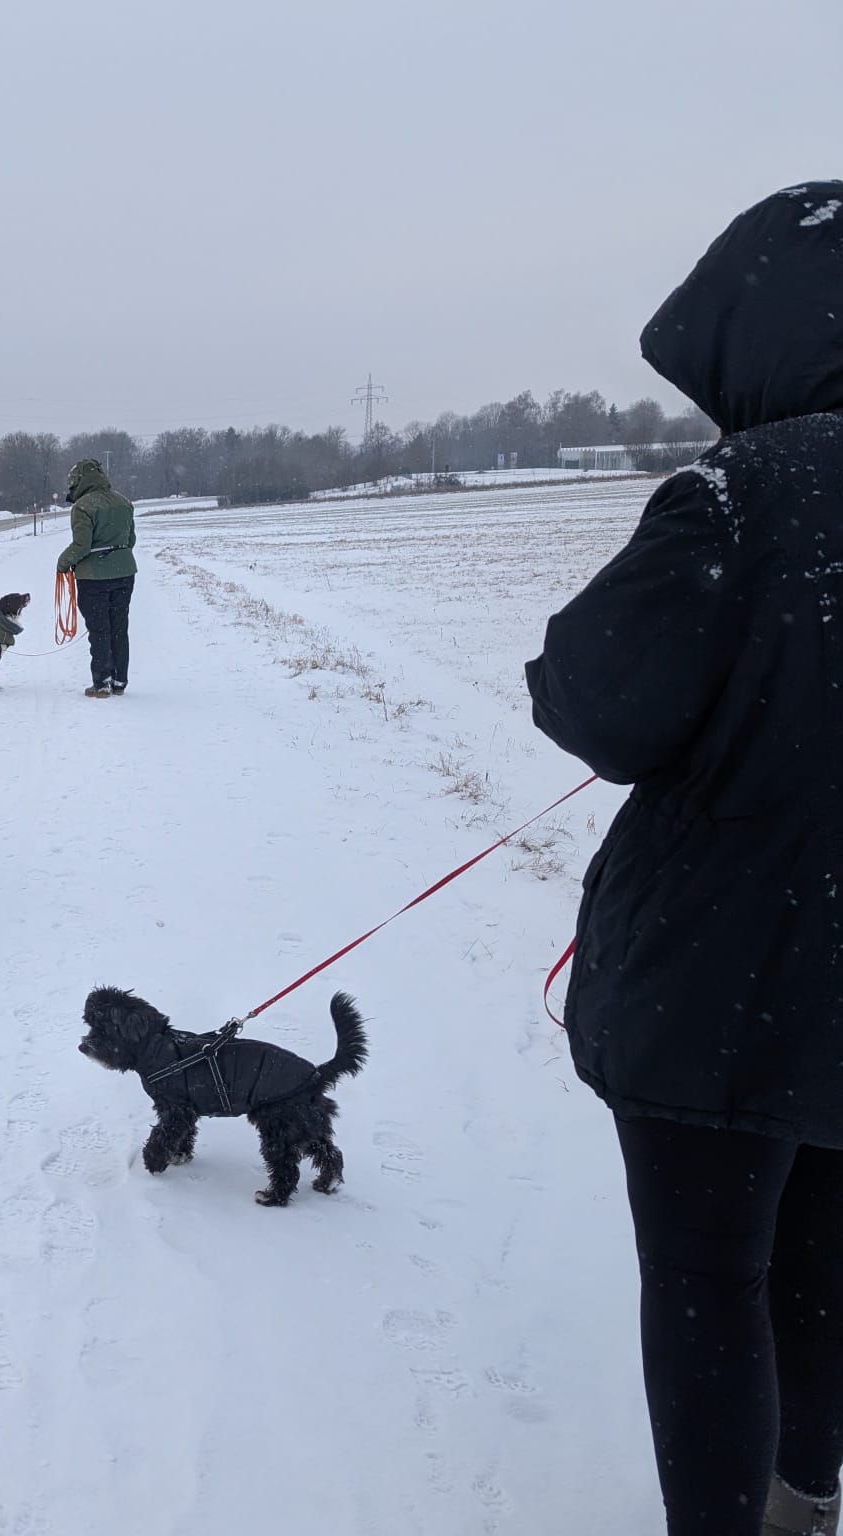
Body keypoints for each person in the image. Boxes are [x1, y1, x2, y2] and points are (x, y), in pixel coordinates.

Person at [525, 181, 843, 1536]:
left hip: (728, 982)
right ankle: (806, 1501)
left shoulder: (738, 495)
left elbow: (596, 704)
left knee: (712, 1277)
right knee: (826, 1263)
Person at [54, 457, 138, 697]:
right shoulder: (123, 502)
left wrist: (63, 563)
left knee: (100, 630)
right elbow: (130, 540)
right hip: (125, 573)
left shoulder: (82, 507)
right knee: (119, 628)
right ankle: (120, 681)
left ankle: (101, 682)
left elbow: (82, 545)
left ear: (78, 482)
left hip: (94, 578)